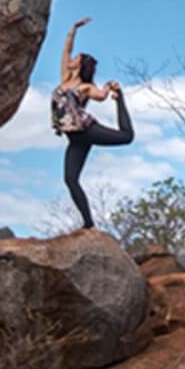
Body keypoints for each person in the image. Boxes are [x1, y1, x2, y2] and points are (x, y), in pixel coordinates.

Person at [51, 17, 133, 229]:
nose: (71, 59)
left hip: (86, 130)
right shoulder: (64, 79)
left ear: (81, 64)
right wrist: (73, 30)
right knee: (70, 180)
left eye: (76, 58)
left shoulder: (85, 87)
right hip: (75, 139)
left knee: (126, 137)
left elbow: (100, 95)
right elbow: (65, 52)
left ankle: (122, 101)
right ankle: (88, 224)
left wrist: (111, 90)